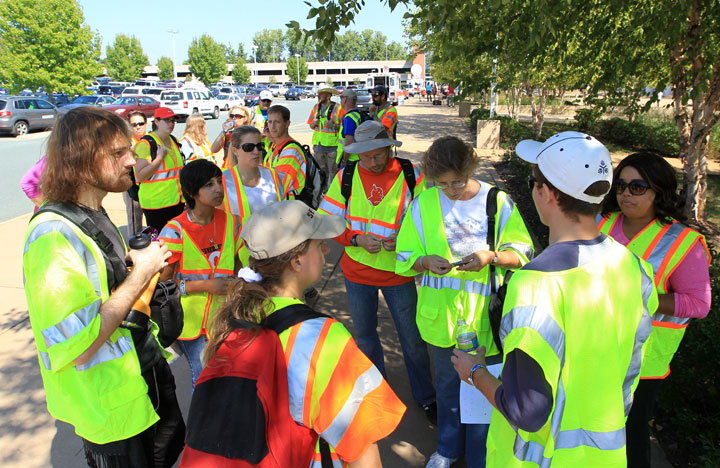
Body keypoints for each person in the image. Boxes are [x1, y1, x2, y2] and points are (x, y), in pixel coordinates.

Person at [452, 131, 656, 467]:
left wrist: (474, 371)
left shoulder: (535, 285)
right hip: (605, 456)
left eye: (534, 181)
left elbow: (526, 413)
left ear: (546, 193)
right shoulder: (635, 267)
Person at [182, 200, 407, 467]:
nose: (326, 248)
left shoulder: (235, 317)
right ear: (297, 262)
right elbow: (361, 445)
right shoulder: (323, 339)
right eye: (318, 243)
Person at [23, 106, 185, 468]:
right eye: (117, 153)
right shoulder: (54, 235)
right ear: (80, 160)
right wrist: (141, 274)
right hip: (109, 413)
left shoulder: (93, 213)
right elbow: (78, 344)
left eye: (129, 149)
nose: (132, 160)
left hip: (138, 394)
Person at [396, 136, 534, 468]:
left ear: (471, 167)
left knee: (483, 391)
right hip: (442, 318)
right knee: (447, 388)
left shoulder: (497, 202)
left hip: (486, 321)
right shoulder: (424, 203)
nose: (452, 190)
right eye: (442, 184)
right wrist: (424, 261)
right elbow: (404, 254)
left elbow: (525, 253)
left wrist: (493, 256)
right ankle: (447, 448)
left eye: (457, 181)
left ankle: (480, 455)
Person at [318, 120, 437, 423]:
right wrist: (354, 239)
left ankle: (426, 397)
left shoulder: (412, 175)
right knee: (367, 339)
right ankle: (377, 393)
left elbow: (430, 221)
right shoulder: (346, 175)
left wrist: (407, 239)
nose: (371, 161)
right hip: (357, 274)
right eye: (365, 155)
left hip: (399, 275)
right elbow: (326, 220)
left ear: (388, 147)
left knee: (412, 340)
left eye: (378, 154)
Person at [598, 152, 712, 468]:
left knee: (632, 437)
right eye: (620, 185)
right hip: (594, 345)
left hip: (643, 360)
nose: (625, 194)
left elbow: (699, 304)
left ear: (658, 191)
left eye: (637, 187)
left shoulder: (683, 242)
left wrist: (641, 296)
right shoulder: (603, 223)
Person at [159, 159, 241, 390]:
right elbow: (162, 284)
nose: (218, 189)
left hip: (224, 318)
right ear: (191, 192)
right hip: (190, 324)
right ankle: (201, 426)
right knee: (204, 381)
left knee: (225, 378)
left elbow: (236, 265)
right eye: (208, 184)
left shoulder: (232, 223)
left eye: (218, 181)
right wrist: (205, 286)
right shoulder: (174, 231)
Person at [221, 125, 293, 265]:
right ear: (235, 151)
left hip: (276, 258)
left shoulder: (276, 176)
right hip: (242, 263)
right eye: (249, 147)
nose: (256, 152)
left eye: (259, 146)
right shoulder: (222, 182)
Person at [134, 107, 185, 232]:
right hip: (156, 204)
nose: (171, 124)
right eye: (167, 120)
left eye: (173, 121)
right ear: (156, 121)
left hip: (176, 202)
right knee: (161, 241)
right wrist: (159, 158)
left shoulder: (173, 140)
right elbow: (140, 176)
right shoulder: (146, 144)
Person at [265, 105, 307, 198]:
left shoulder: (291, 151)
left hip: (288, 207)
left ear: (287, 124)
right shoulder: (274, 146)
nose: (272, 126)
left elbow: (278, 186)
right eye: (270, 122)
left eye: (277, 122)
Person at [307, 87, 343, 191]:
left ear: (328, 96)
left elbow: (344, 127)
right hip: (318, 147)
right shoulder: (315, 107)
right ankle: (322, 194)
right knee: (321, 173)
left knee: (332, 173)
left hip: (332, 147)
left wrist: (334, 126)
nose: (318, 96)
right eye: (318, 94)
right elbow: (311, 125)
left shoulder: (338, 108)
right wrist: (313, 124)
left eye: (321, 94)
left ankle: (331, 195)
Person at [124, 110, 148, 234]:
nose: (138, 127)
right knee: (135, 220)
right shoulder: (126, 144)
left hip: (149, 189)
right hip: (133, 188)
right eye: (134, 124)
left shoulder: (149, 141)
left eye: (141, 123)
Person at [211, 105, 250, 169]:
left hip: (243, 171)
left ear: (245, 118)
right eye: (231, 116)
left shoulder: (250, 134)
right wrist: (224, 131)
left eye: (237, 116)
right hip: (227, 172)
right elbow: (213, 149)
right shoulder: (227, 134)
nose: (234, 118)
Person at [336, 88, 363, 168]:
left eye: (341, 98)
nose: (340, 101)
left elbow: (349, 141)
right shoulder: (358, 114)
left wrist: (344, 160)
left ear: (345, 100)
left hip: (351, 160)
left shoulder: (349, 118)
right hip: (359, 158)